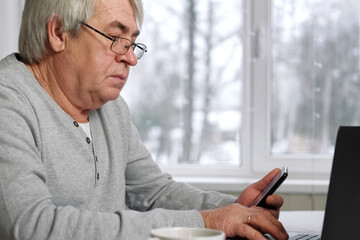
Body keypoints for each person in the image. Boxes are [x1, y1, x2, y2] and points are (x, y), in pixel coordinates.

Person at [0, 0, 289, 239]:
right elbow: (31, 227)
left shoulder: (111, 109)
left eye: (132, 44)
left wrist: (235, 208)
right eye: (116, 39)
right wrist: (208, 222)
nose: (131, 59)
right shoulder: (8, 103)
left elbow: (153, 192)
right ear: (59, 33)